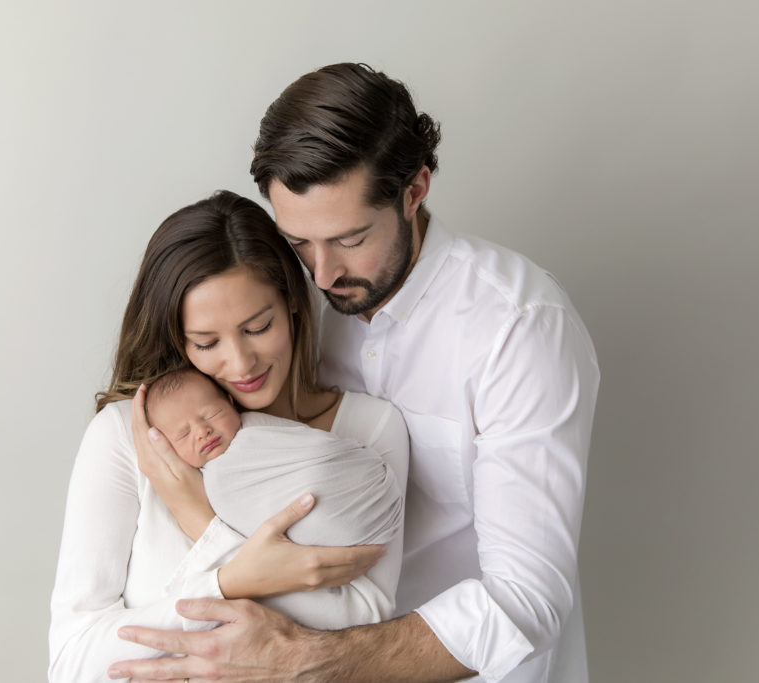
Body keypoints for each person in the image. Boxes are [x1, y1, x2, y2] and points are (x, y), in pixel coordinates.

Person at [110, 63, 600, 683]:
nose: (321, 274)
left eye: (350, 238)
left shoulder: (519, 327)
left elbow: (528, 599)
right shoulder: (285, 312)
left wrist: (307, 661)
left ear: (415, 190)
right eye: (299, 244)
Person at [48, 190, 409, 682]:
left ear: (293, 305)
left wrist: (202, 521)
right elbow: (73, 663)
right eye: (207, 342)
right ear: (178, 339)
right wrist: (231, 580)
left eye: (258, 327)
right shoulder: (130, 437)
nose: (241, 364)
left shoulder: (370, 430)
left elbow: (364, 617)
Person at [144, 366, 404, 629]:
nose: (202, 431)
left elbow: (312, 446)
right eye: (183, 434)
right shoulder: (201, 482)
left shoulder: (256, 430)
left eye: (211, 414)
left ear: (231, 404)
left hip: (364, 489)